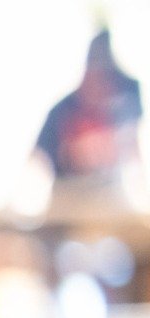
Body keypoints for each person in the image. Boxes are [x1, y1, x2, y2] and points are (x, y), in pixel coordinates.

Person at [35, 28, 144, 201]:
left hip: (112, 200)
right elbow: (38, 159)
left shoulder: (126, 105)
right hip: (69, 201)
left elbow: (135, 153)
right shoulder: (61, 112)